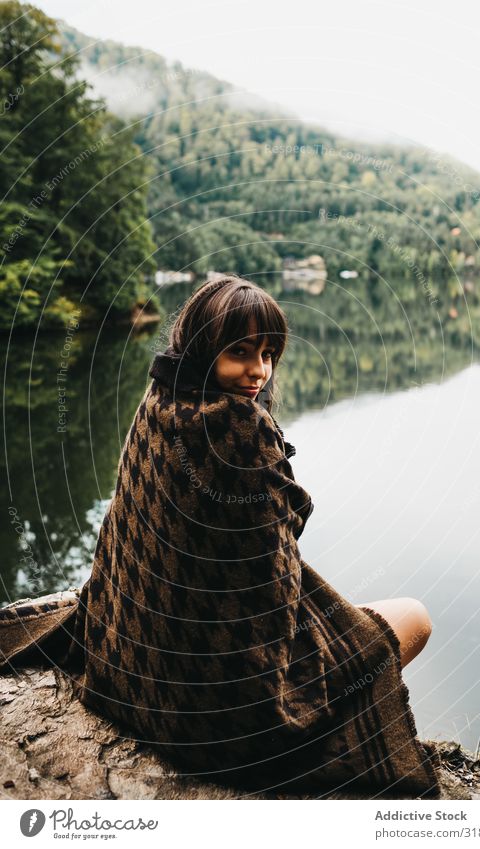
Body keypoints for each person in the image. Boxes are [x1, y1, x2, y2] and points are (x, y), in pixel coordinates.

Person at [0, 275, 439, 798]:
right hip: (224, 722)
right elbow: (274, 593)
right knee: (414, 615)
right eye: (240, 352)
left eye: (269, 353)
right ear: (206, 348)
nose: (258, 372)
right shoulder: (239, 432)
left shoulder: (161, 398)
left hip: (123, 667)